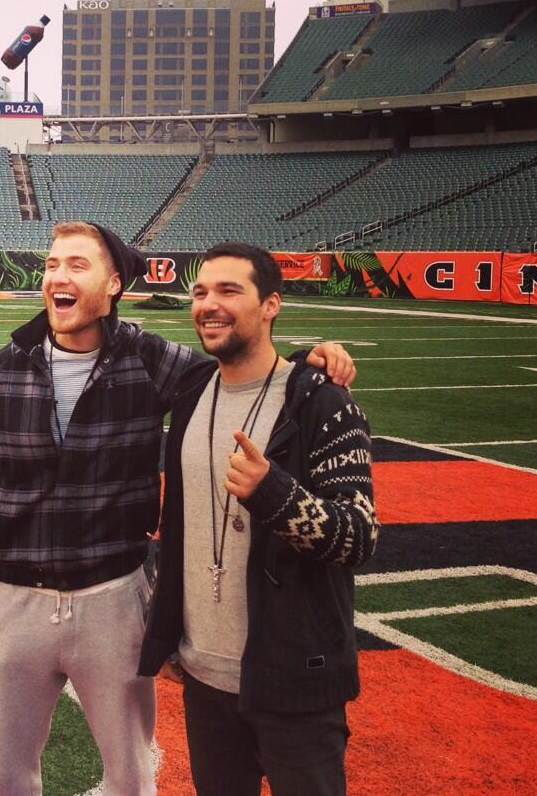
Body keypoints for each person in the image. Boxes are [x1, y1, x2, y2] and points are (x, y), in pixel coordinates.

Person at [0, 223, 356, 796]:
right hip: (17, 598)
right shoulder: (5, 367)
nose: (58, 275)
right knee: (7, 772)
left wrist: (307, 360)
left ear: (113, 285)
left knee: (130, 773)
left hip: (115, 598)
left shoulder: (150, 359)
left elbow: (241, 368)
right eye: (53, 264)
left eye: (78, 265)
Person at [138, 242, 378, 796]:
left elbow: (360, 537)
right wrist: (167, 626)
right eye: (200, 292)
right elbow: (179, 529)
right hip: (203, 678)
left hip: (295, 679)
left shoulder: (322, 403)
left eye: (229, 290)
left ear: (271, 304)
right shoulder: (192, 391)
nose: (208, 304)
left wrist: (274, 493)